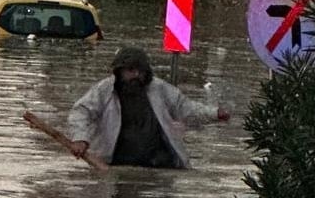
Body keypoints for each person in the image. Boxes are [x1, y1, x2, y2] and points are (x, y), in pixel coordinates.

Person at [68, 47, 229, 169]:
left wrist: (215, 113)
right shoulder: (104, 90)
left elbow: (186, 109)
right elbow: (81, 112)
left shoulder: (160, 89)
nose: (136, 75)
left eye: (140, 71)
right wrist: (80, 139)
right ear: (119, 71)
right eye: (131, 70)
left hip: (158, 164)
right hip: (116, 164)